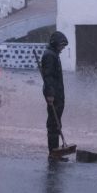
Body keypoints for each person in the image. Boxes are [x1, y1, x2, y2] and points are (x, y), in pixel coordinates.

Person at [41, 31, 68, 160]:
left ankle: (55, 152)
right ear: (55, 43)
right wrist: (50, 94)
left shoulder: (53, 55)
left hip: (57, 94)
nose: (63, 48)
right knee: (53, 123)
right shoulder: (49, 56)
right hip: (53, 95)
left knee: (56, 123)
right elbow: (48, 77)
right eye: (62, 45)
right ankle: (53, 153)